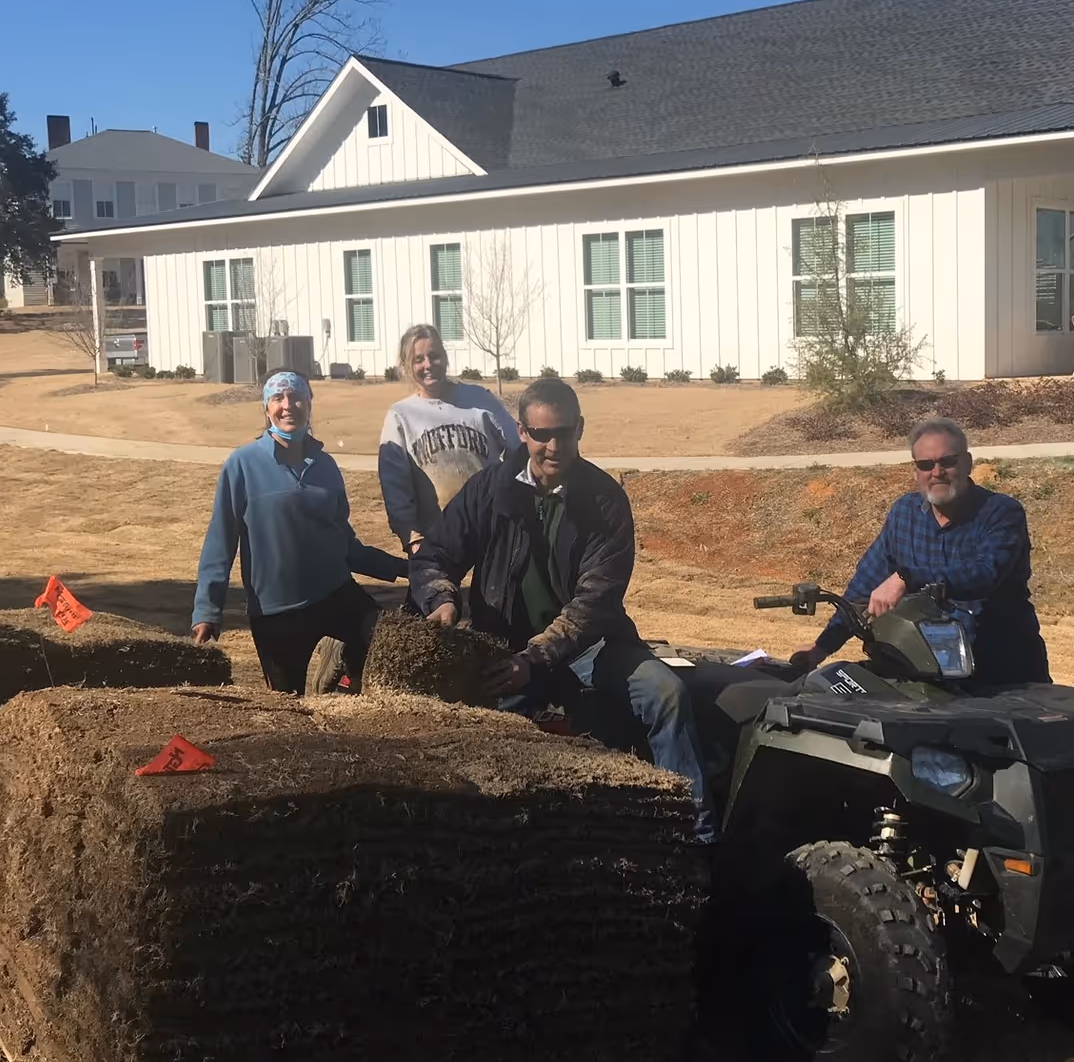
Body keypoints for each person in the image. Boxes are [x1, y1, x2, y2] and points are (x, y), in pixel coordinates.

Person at [407, 376, 717, 842]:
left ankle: (699, 837)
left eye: (565, 433)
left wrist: (534, 659)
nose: (554, 446)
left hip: (591, 645)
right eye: (543, 435)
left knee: (666, 692)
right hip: (501, 645)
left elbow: (594, 602)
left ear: (580, 429)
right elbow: (434, 556)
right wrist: (443, 599)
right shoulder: (489, 489)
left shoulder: (605, 501)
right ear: (521, 432)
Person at [192, 370, 407, 694]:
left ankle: (344, 672)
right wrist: (207, 610)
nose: (288, 404)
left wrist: (404, 568)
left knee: (386, 643)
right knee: (287, 705)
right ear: (267, 409)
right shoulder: (242, 465)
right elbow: (220, 542)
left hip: (335, 594)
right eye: (278, 398)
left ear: (309, 404)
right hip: (276, 613)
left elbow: (344, 545)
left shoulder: (326, 467)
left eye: (296, 396)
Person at [794, 417, 1048, 685]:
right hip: (925, 671)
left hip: (1003, 674)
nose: (937, 472)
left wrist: (908, 578)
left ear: (968, 463)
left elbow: (984, 574)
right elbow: (863, 589)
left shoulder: (1001, 512)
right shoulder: (905, 513)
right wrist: (821, 648)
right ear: (915, 471)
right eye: (926, 465)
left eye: (947, 462)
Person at [378, 324, 519, 556]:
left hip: (492, 530)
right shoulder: (400, 416)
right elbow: (395, 485)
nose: (428, 365)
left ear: (444, 357)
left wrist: (511, 497)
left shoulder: (479, 400)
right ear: (406, 366)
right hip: (436, 538)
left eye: (434, 356)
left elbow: (518, 449)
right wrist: (412, 537)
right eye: (418, 359)